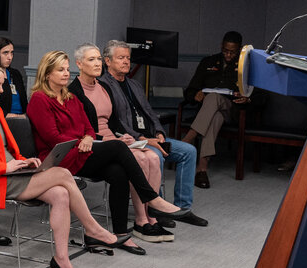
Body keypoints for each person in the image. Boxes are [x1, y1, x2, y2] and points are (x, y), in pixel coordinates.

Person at [0, 61, 105, 268]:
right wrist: (6, 168)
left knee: (61, 195)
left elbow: (6, 150)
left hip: (11, 173)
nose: (2, 90)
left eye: (2, 85)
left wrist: (24, 161)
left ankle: (61, 259)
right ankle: (92, 229)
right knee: (63, 173)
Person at [28, 51, 185, 252]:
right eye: (60, 70)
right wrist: (82, 141)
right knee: (118, 146)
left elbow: (89, 127)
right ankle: (151, 198)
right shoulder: (39, 99)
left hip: (81, 152)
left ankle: (120, 235)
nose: (66, 73)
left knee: (118, 173)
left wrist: (86, 138)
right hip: (59, 159)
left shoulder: (69, 97)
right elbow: (53, 138)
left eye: (67, 69)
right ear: (47, 73)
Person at [72, 43, 175, 242]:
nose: (97, 63)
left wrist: (123, 135)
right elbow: (82, 130)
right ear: (79, 64)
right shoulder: (74, 91)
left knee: (152, 157)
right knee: (141, 159)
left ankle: (151, 218)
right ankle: (140, 220)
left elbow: (115, 121)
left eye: (98, 59)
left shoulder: (103, 87)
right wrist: (117, 140)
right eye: (91, 59)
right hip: (96, 143)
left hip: (115, 140)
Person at [99, 39, 205, 223]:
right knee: (155, 154)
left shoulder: (134, 85)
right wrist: (144, 139)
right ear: (107, 61)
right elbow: (116, 122)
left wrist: (158, 132)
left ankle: (183, 208)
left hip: (150, 137)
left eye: (128, 58)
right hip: (132, 141)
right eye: (121, 58)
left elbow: (149, 112)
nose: (126, 61)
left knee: (189, 151)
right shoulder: (103, 85)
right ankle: (158, 208)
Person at [180, 30, 249, 189]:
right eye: (225, 50)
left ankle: (188, 139)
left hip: (232, 110)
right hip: (211, 113)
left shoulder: (246, 65)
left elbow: (261, 95)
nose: (228, 55)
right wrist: (195, 94)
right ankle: (202, 170)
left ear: (239, 50)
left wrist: (248, 98)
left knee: (213, 97)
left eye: (232, 52)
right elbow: (190, 90)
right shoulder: (208, 62)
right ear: (221, 46)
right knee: (215, 115)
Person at [0, 37, 26, 116]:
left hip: (22, 119)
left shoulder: (15, 74)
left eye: (12, 53)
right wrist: (6, 115)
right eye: (5, 53)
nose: (10, 57)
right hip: (2, 118)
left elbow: (24, 101)